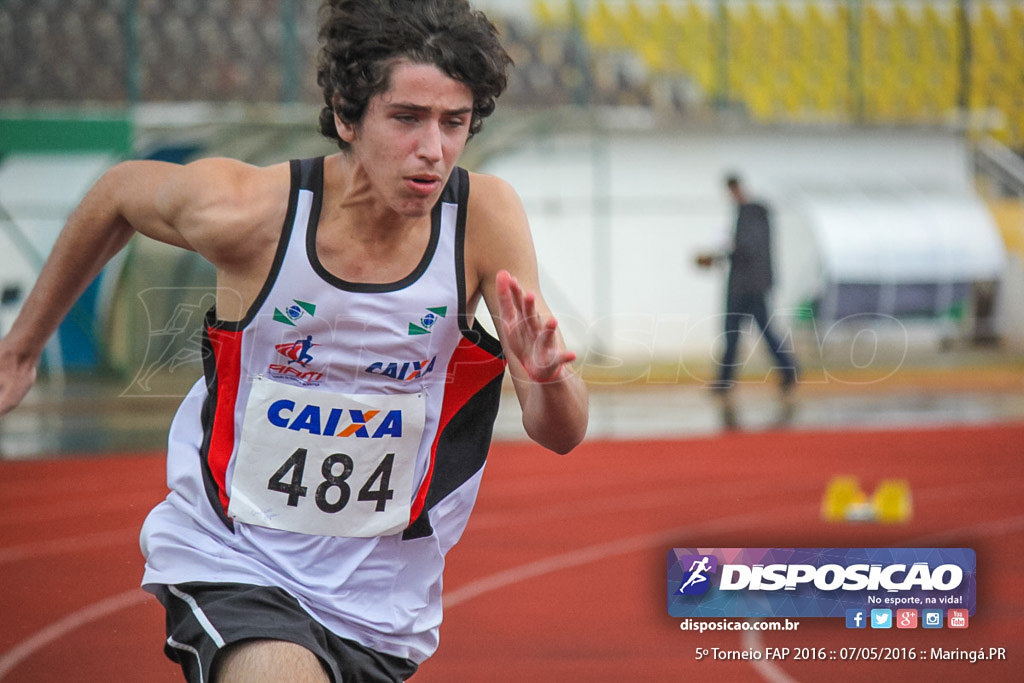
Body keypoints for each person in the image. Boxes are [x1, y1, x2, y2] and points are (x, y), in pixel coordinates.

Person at [0, 1, 589, 681]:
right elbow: (118, 195)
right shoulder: (250, 212)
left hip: (380, 598)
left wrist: (548, 380)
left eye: (454, 123)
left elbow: (561, 433)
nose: (433, 148)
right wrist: (21, 347)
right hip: (235, 555)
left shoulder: (483, 219)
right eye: (406, 118)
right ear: (346, 113)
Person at [696, 174, 798, 397]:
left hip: (748, 286)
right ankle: (786, 370)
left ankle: (786, 370)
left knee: (740, 331)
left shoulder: (752, 213)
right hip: (750, 284)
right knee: (752, 331)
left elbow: (747, 249)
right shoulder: (750, 213)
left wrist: (722, 253)